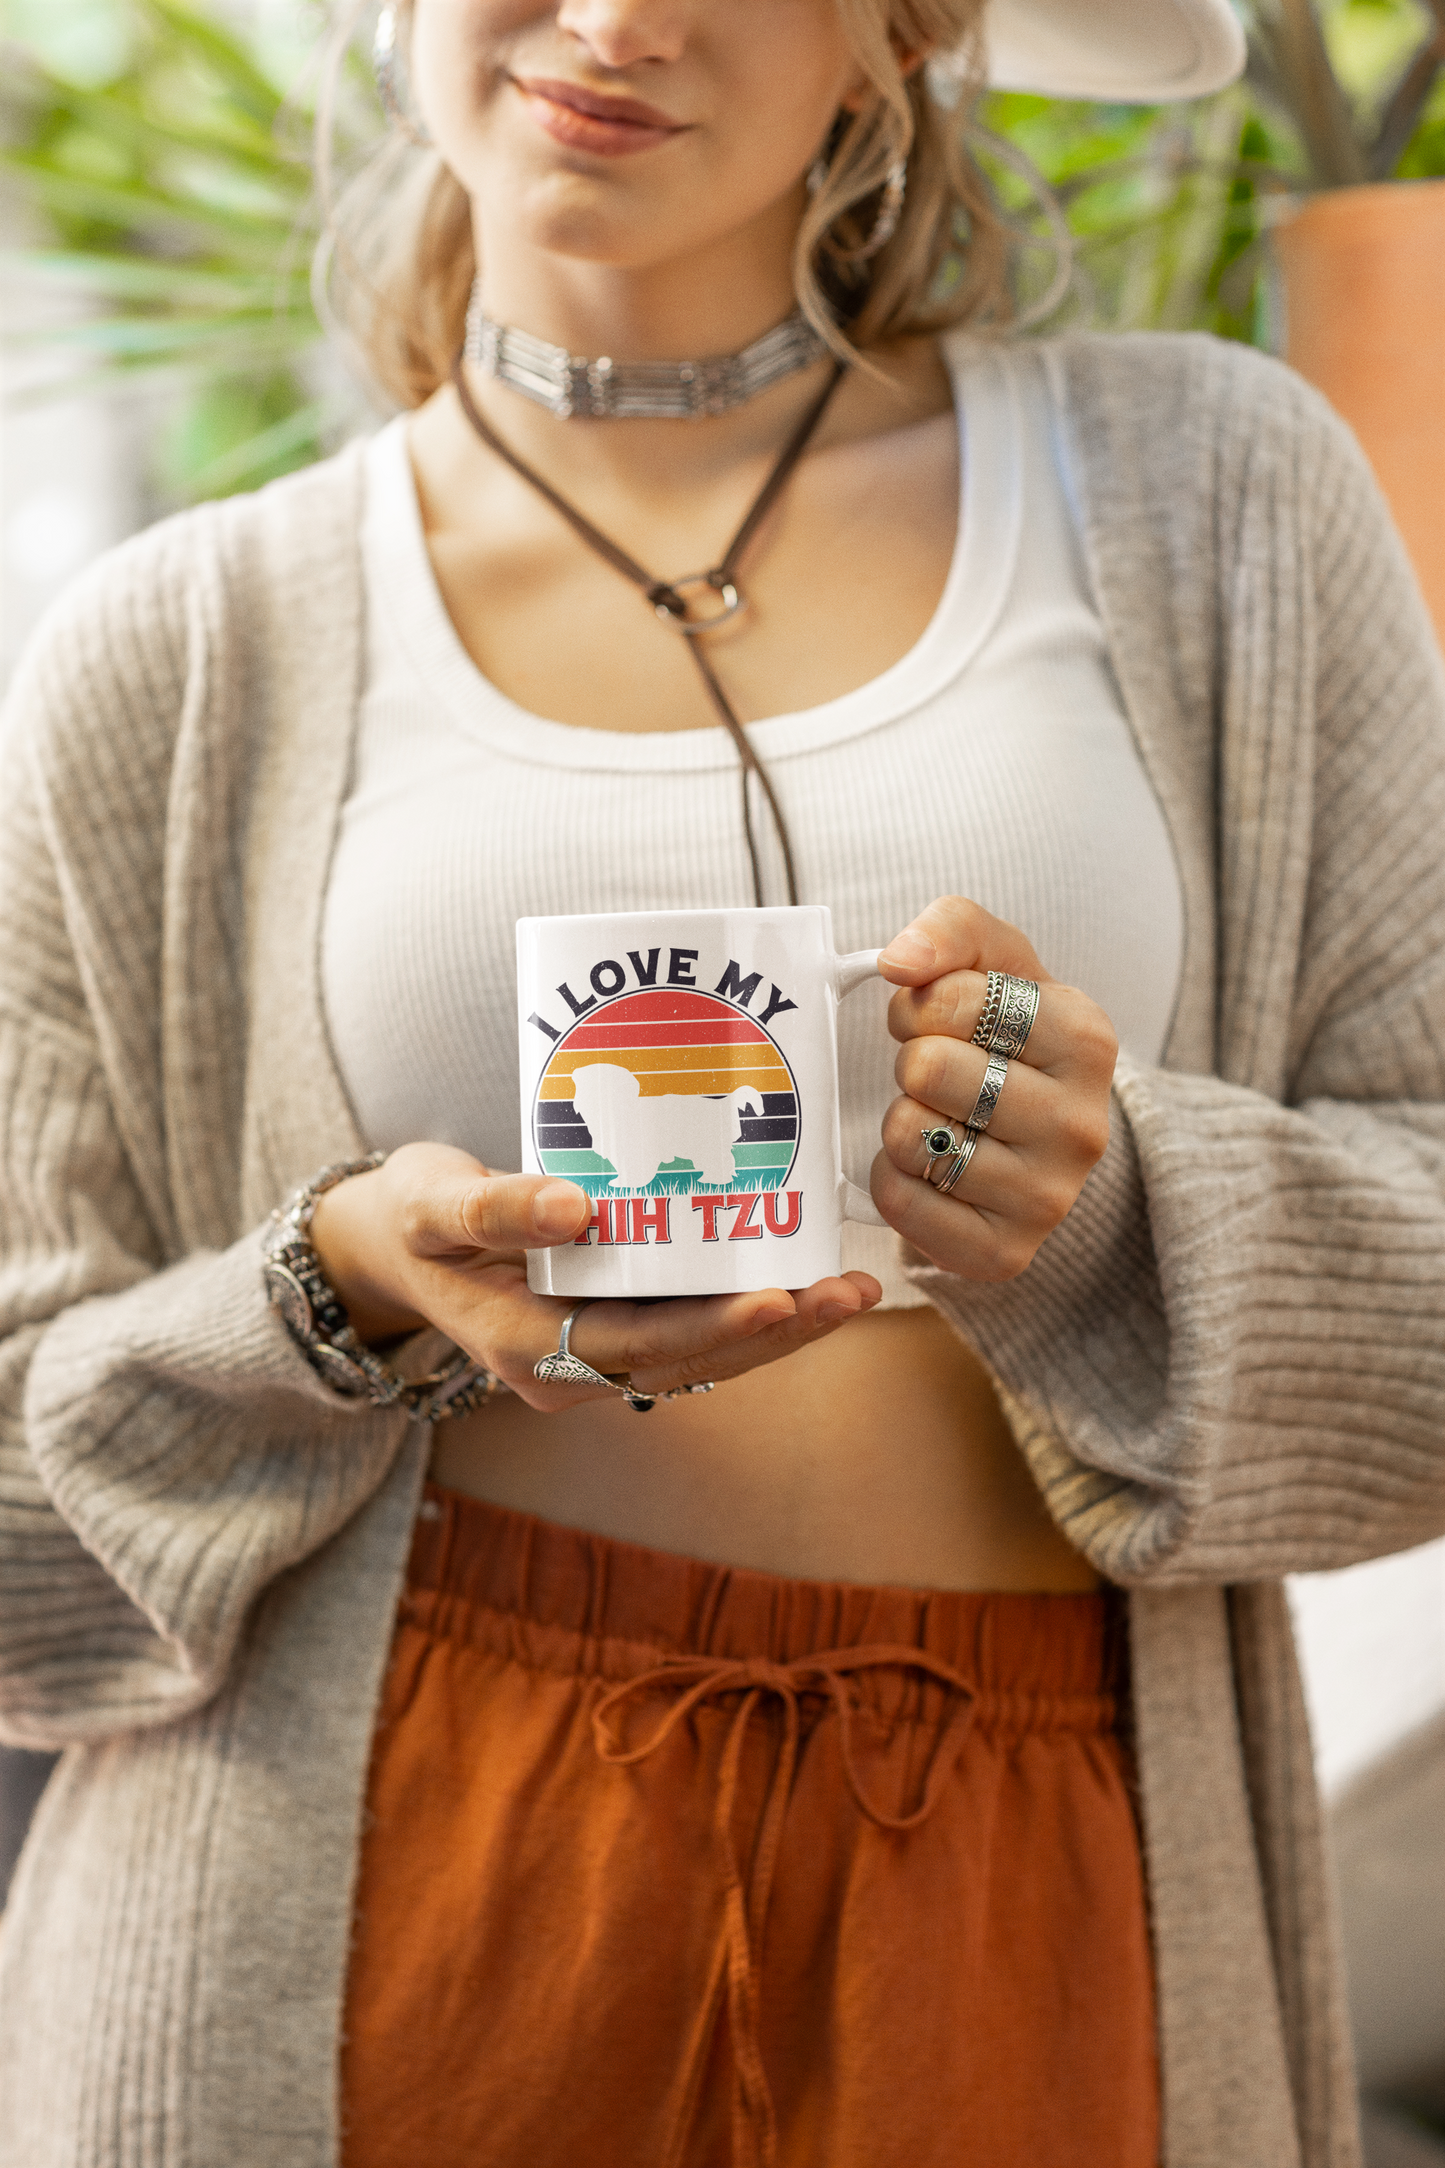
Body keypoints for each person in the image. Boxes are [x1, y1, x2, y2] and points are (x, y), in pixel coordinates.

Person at [2, 0, 1444, 2161]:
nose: (616, 19)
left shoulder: (1209, 495)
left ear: (905, 32)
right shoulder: (177, 651)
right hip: (370, 1907)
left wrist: (1120, 1210)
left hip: (1034, 1888)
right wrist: (338, 1293)